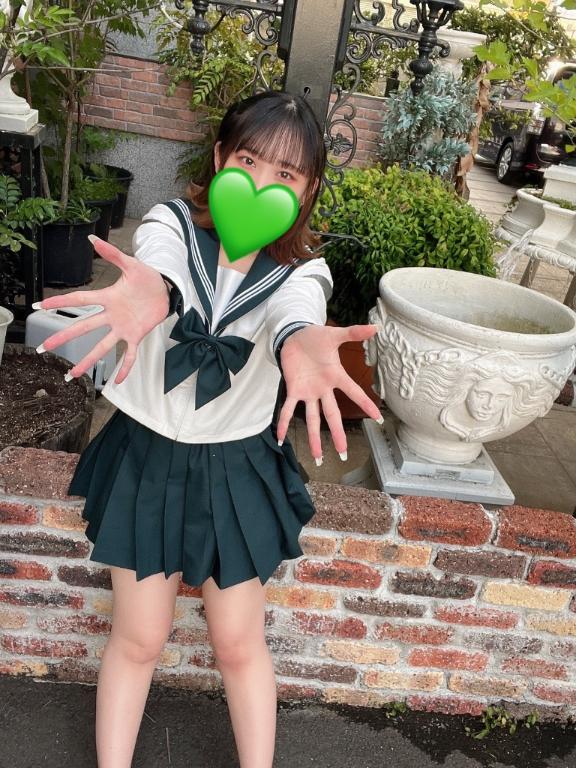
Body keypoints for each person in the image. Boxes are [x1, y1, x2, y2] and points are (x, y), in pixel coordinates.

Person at [36, 90, 382, 768]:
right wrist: (150, 292)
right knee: (139, 636)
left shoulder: (303, 271)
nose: (261, 181)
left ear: (308, 190)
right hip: (146, 455)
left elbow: (296, 314)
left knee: (237, 642)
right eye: (248, 160)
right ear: (220, 157)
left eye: (286, 173)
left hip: (236, 464)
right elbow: (159, 268)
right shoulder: (169, 222)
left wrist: (302, 344)